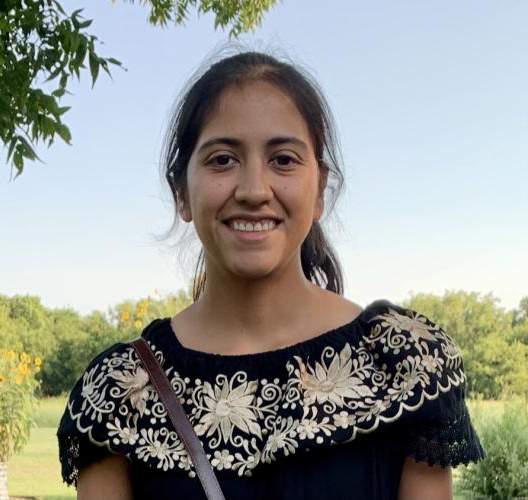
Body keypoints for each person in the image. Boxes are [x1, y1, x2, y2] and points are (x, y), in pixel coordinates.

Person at [57, 49, 486, 499]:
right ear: (181, 192)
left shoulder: (404, 366)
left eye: (283, 159)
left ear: (320, 190)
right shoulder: (120, 394)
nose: (254, 190)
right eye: (222, 159)